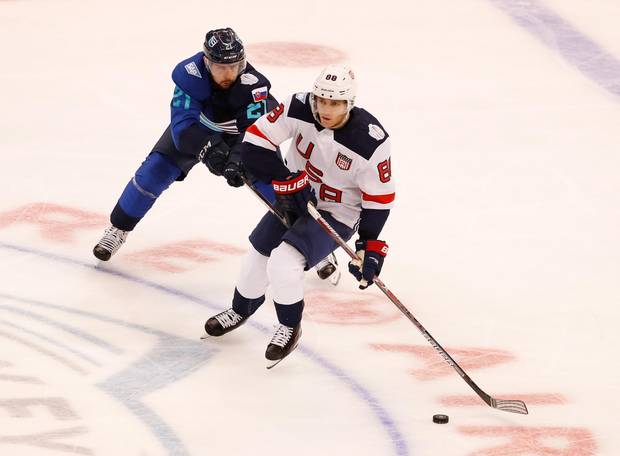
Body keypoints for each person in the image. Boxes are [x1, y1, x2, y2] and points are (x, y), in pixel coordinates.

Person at [203, 64, 396, 364]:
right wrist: (284, 178)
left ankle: (289, 327)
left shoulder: (370, 141)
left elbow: (379, 198)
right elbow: (255, 141)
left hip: (337, 212)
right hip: (296, 196)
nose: (325, 108)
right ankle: (241, 309)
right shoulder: (298, 106)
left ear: (349, 103)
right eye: (321, 100)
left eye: (335, 103)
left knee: (284, 261)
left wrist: (369, 245)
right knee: (258, 254)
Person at [92, 27, 278, 261]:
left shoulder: (254, 85)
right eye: (221, 67)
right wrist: (208, 148)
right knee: (153, 172)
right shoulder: (190, 75)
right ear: (206, 62)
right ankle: (119, 228)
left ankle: (305, 242)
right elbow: (182, 126)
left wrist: (238, 157)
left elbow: (256, 131)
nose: (229, 73)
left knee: (275, 184)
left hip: (240, 135)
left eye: (234, 66)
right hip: (198, 130)